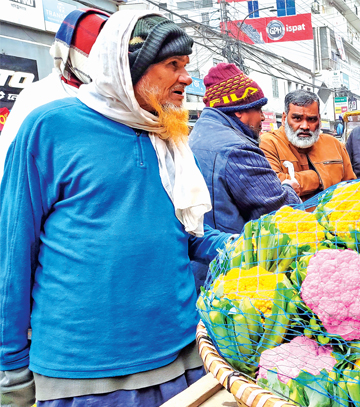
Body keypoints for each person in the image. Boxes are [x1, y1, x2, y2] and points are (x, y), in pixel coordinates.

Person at [0, 11, 236, 406]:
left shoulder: (165, 134)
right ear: (130, 69)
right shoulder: (50, 128)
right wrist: (11, 367)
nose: (186, 78)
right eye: (173, 66)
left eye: (186, 66)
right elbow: (12, 251)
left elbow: (183, 234)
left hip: (185, 354)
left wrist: (264, 240)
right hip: (86, 373)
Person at [188, 63, 301, 285]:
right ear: (239, 111)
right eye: (258, 110)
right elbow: (280, 210)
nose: (262, 118)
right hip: (232, 269)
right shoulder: (237, 149)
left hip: (199, 265)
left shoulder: (197, 136)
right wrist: (289, 189)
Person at [0, 9, 109, 178]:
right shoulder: (39, 98)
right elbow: (10, 168)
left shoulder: (119, 98)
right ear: (71, 51)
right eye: (99, 52)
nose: (110, 61)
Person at [260, 90, 356, 201]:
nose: (305, 126)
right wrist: (317, 177)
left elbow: (350, 187)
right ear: (284, 118)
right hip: (292, 217)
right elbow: (271, 185)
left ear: (319, 119)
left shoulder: (334, 145)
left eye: (311, 119)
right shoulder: (268, 143)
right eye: (297, 118)